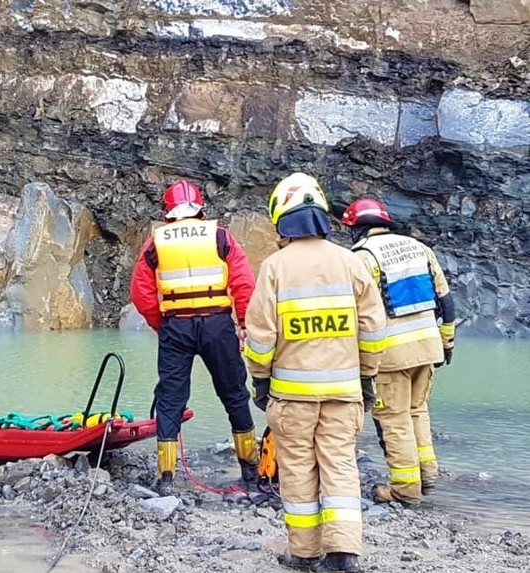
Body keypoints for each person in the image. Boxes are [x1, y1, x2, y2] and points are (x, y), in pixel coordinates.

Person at [244, 173, 387, 573]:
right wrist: (366, 378)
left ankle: (304, 554)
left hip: (292, 398)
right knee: (341, 466)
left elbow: (259, 337)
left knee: (297, 470)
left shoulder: (275, 267)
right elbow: (374, 331)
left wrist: (259, 379)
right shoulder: (351, 263)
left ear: (282, 218)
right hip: (344, 395)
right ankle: (343, 554)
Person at [130, 179, 259, 494]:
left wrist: (161, 323)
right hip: (217, 325)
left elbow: (140, 292)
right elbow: (244, 283)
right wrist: (243, 322)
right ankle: (250, 472)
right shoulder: (219, 236)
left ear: (168, 211)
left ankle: (167, 477)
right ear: (200, 208)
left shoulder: (156, 242)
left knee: (171, 398)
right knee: (234, 394)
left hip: (176, 325)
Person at [341, 198, 456, 504]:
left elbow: (360, 312)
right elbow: (445, 301)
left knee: (394, 419)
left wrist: (358, 357)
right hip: (428, 346)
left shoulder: (361, 257)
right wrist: (447, 341)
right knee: (417, 411)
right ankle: (427, 474)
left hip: (391, 355)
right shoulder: (419, 248)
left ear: (357, 229)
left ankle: (405, 489)